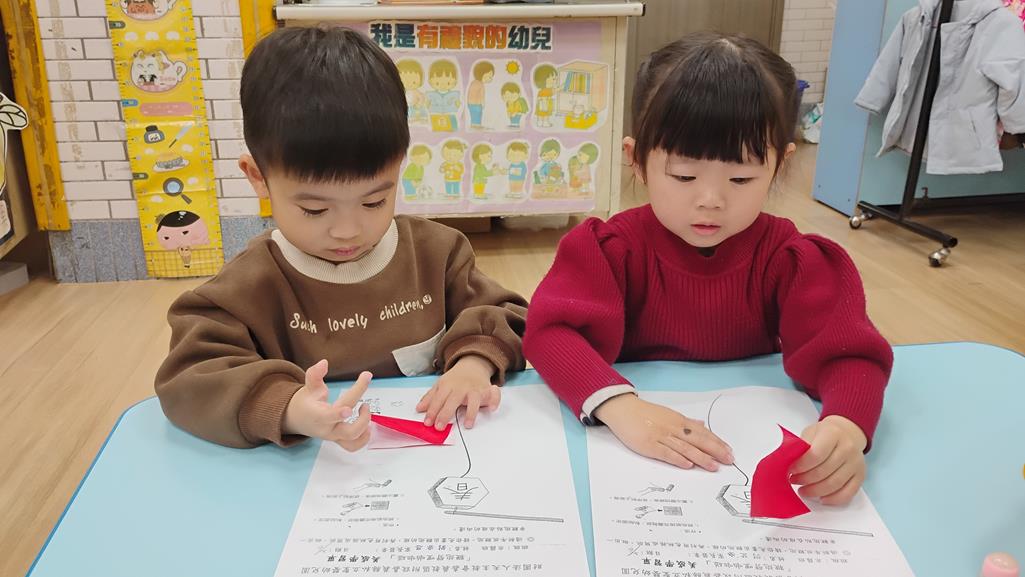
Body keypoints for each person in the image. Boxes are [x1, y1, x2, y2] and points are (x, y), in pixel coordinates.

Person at [523, 32, 893, 506]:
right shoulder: (609, 251)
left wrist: (846, 425)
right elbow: (551, 335)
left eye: (741, 178)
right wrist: (618, 405)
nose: (711, 200)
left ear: (780, 164)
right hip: (628, 458)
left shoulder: (790, 258)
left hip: (742, 442)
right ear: (636, 160)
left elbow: (849, 354)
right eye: (684, 175)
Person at [155, 27, 527, 451]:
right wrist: (286, 407)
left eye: (374, 201)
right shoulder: (247, 287)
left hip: (431, 456)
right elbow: (192, 377)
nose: (348, 231)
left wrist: (473, 363)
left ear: (399, 167)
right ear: (258, 177)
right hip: (312, 469)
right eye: (315, 210)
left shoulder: (437, 254)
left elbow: (503, 313)